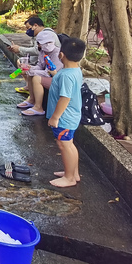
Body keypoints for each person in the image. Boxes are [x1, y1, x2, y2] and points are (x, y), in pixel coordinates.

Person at [48, 37, 86, 188]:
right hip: (72, 116)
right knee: (69, 144)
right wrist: (54, 74)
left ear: (61, 55)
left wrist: (55, 117)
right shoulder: (73, 70)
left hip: (64, 118)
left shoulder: (66, 76)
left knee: (64, 145)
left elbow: (65, 97)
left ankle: (69, 177)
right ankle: (73, 173)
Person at [17, 28, 64, 116]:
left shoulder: (57, 53)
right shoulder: (42, 52)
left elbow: (49, 73)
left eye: (49, 43)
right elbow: (40, 66)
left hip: (58, 78)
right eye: (44, 43)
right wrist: (30, 68)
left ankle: (38, 107)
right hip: (49, 76)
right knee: (31, 74)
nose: (47, 45)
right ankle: (32, 100)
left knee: (36, 78)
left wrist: (32, 71)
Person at [9, 16, 56, 95]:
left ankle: (31, 91)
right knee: (21, 62)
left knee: (29, 70)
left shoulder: (45, 35)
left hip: (50, 66)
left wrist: (20, 49)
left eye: (28, 28)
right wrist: (17, 51)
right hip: (41, 62)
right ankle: (28, 86)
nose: (27, 31)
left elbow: (36, 51)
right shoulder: (37, 36)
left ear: (35, 25)